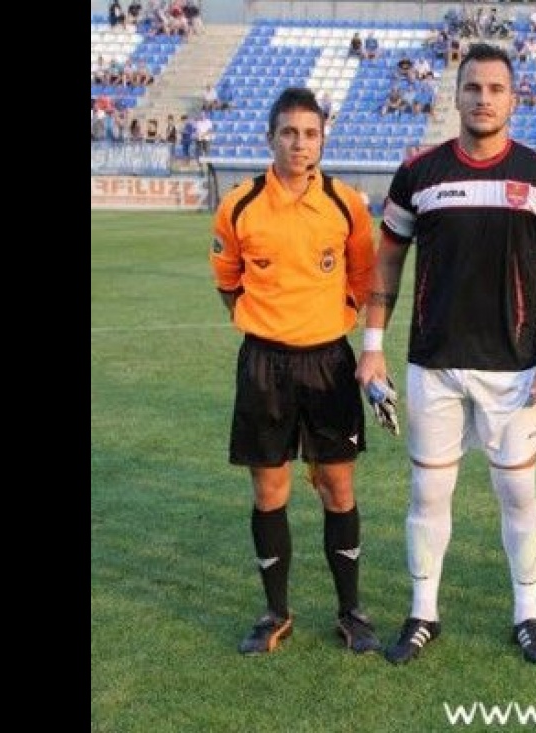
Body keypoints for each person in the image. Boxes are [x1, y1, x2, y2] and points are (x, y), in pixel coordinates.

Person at [356, 43, 536, 666]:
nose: (483, 98)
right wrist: (373, 348)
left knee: (518, 498)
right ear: (455, 95)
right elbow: (389, 258)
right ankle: (424, 612)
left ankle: (526, 617)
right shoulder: (418, 173)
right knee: (428, 495)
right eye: (472, 87)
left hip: (516, 369)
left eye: (495, 88)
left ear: (514, 98)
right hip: (435, 364)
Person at [209, 87, 380, 656]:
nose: (299, 144)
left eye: (310, 134)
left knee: (337, 486)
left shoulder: (346, 205)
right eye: (289, 133)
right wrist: (268, 326)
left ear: (323, 139)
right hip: (263, 365)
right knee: (269, 489)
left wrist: (332, 321)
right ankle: (275, 611)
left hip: (328, 363)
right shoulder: (239, 204)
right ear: (270, 138)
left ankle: (351, 611)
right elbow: (228, 281)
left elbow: (362, 276)